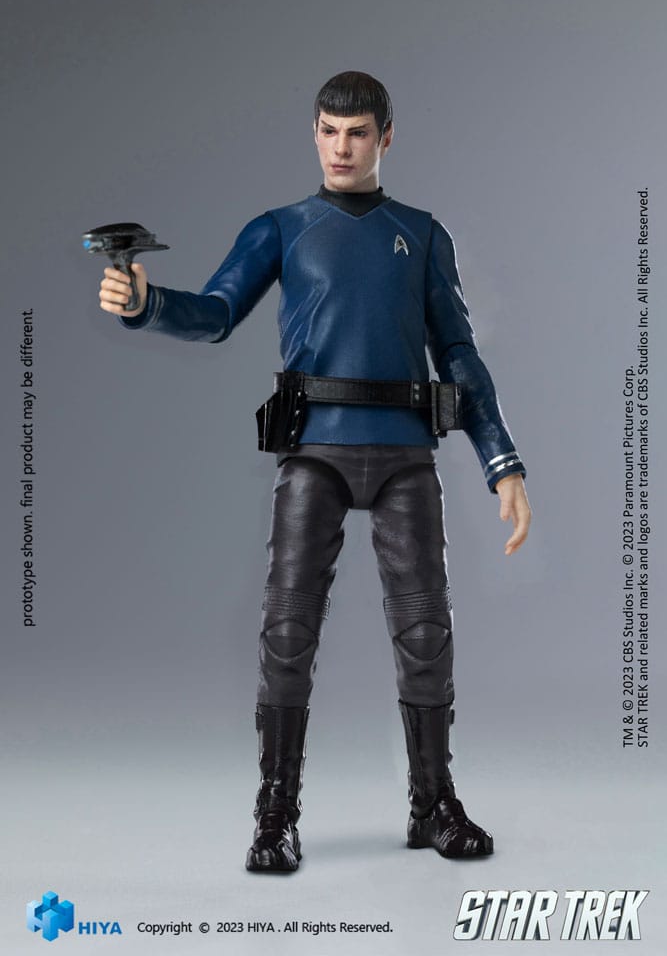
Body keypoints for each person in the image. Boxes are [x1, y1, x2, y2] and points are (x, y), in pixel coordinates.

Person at [99, 71, 531, 873]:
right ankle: (275, 813)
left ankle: (432, 801)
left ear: (385, 138)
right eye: (329, 131)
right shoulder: (283, 228)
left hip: (404, 452)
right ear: (313, 132)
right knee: (287, 632)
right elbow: (217, 313)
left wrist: (499, 461)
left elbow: (458, 353)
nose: (341, 147)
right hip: (315, 452)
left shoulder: (421, 234)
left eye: (357, 132)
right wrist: (146, 304)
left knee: (426, 633)